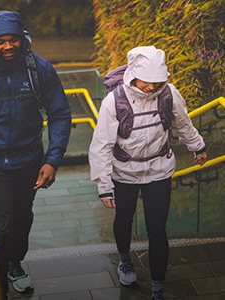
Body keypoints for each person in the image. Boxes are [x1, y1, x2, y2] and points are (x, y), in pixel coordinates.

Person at [0, 11, 71, 300]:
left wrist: (51, 160)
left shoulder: (40, 70)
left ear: (23, 40)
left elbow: (59, 113)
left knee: (22, 219)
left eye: (13, 40)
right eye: (0, 42)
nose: (8, 47)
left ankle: (14, 264)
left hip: (29, 160)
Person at [88, 46, 207, 300]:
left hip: (158, 169)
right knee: (124, 218)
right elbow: (101, 145)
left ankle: (157, 289)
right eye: (147, 83)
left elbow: (183, 123)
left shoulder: (169, 94)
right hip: (124, 172)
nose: (152, 88)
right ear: (133, 75)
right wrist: (103, 184)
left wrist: (197, 146)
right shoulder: (115, 100)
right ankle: (124, 261)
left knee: (157, 229)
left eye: (157, 82)